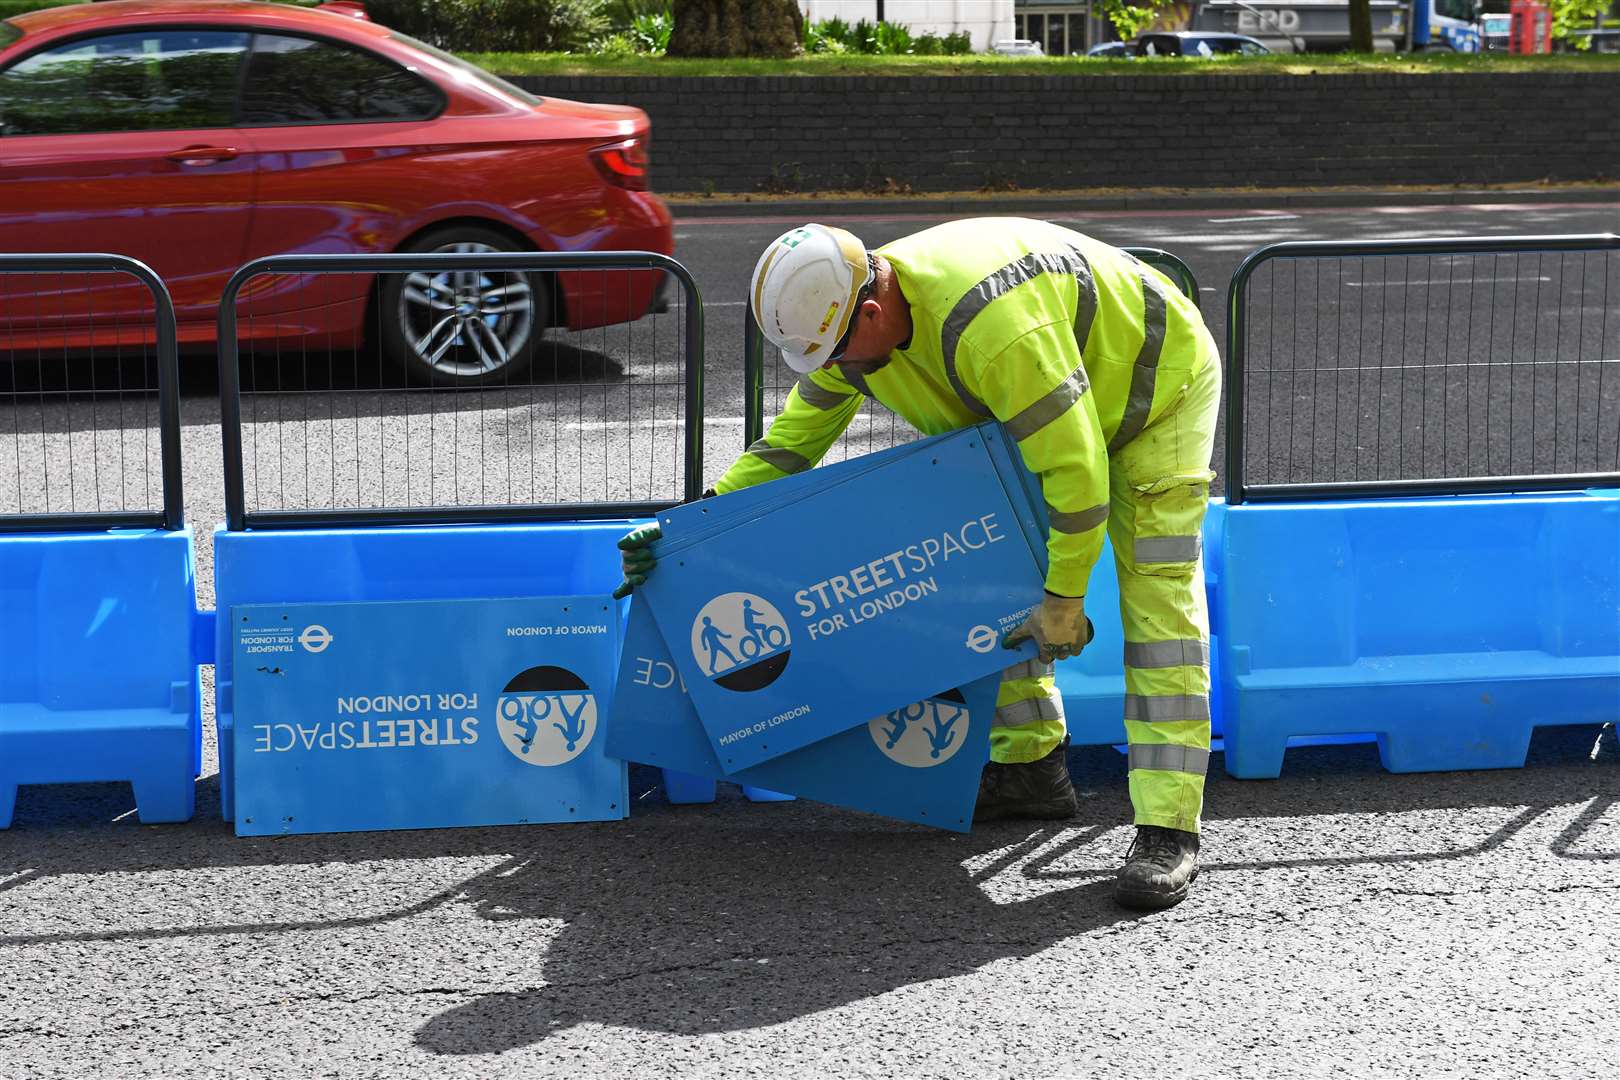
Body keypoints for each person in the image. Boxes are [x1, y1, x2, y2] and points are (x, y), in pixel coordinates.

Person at [618, 218, 1220, 910]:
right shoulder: (848, 328)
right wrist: (686, 528)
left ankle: (1168, 826)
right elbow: (790, 448)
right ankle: (1030, 772)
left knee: (1159, 595)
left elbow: (1078, 479)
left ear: (872, 312)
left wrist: (1064, 601)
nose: (835, 376)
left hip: (1154, 392)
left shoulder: (993, 329)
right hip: (1040, 406)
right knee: (995, 569)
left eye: (839, 358)